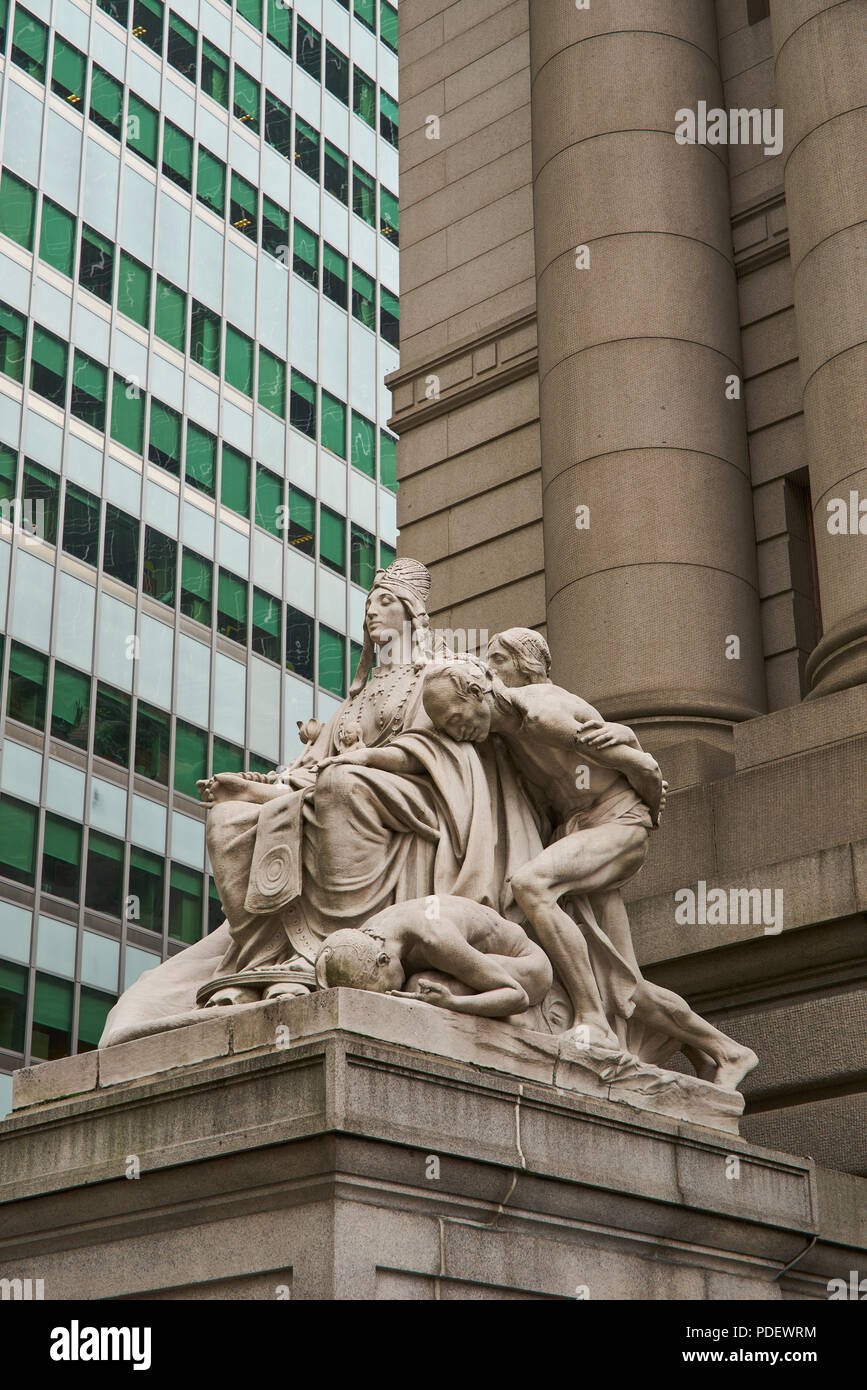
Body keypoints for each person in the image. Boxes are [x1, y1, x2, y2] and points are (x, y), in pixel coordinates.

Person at [419, 662, 758, 1088]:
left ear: (476, 691)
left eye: (454, 718)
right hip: (579, 834)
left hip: (614, 824)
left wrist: (641, 815)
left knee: (530, 885)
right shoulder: (505, 735)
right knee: (625, 987)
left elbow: (646, 768)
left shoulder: (541, 716)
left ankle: (592, 1018)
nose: (455, 730)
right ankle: (728, 1052)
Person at [313, 895, 553, 1019]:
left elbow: (516, 996)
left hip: (529, 970)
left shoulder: (435, 939)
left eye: (383, 987)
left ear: (383, 960)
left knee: (417, 987)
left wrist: (451, 1003)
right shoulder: (369, 934)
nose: (386, 993)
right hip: (472, 963)